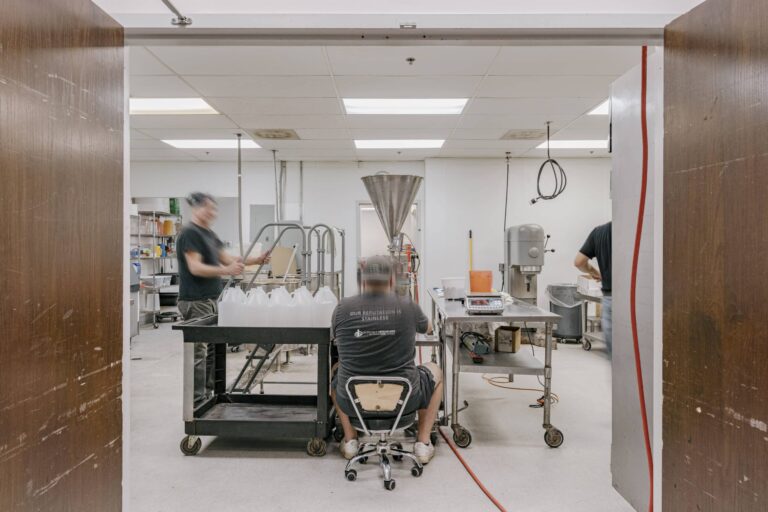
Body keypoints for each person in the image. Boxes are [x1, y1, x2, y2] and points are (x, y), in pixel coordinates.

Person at [331, 255, 443, 465]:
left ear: (363, 280)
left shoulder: (342, 307)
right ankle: (422, 443)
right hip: (405, 399)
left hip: (355, 400)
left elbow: (334, 335)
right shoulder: (408, 306)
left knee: (336, 371)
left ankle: (350, 440)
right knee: (435, 370)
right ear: (391, 280)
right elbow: (428, 328)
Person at [176, 192, 270, 405]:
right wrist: (227, 270)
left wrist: (257, 260)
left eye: (214, 209)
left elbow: (230, 259)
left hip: (212, 298)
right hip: (196, 300)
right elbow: (195, 267)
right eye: (209, 208)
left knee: (211, 351)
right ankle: (197, 401)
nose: (213, 212)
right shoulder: (190, 233)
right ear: (196, 208)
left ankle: (210, 395)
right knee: (198, 353)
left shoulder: (208, 234)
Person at [574, 221, 612, 355]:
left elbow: (578, 262)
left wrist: (596, 273)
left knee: (616, 356)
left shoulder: (599, 232)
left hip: (609, 299)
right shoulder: (635, 230)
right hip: (634, 299)